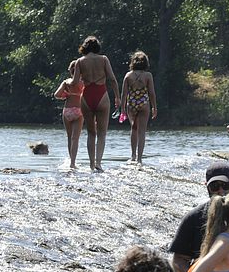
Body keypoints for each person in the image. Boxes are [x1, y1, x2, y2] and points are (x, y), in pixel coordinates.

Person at [71, 36, 120, 172]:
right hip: (101, 94)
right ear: (97, 47)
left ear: (85, 47)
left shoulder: (80, 61)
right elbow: (112, 79)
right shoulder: (103, 59)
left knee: (91, 133)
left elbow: (75, 82)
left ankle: (91, 165)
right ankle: (99, 163)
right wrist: (117, 97)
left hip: (86, 96)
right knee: (102, 133)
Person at [120, 51, 157, 165]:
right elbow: (151, 93)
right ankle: (140, 159)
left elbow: (124, 94)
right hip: (144, 103)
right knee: (142, 131)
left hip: (131, 103)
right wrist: (154, 107)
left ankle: (133, 156)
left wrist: (122, 109)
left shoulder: (128, 75)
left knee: (134, 129)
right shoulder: (147, 75)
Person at [54, 60, 84, 170]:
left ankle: (71, 160)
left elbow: (56, 94)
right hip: (79, 111)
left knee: (69, 137)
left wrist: (65, 95)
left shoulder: (66, 82)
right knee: (75, 138)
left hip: (67, 111)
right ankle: (73, 163)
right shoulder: (82, 83)